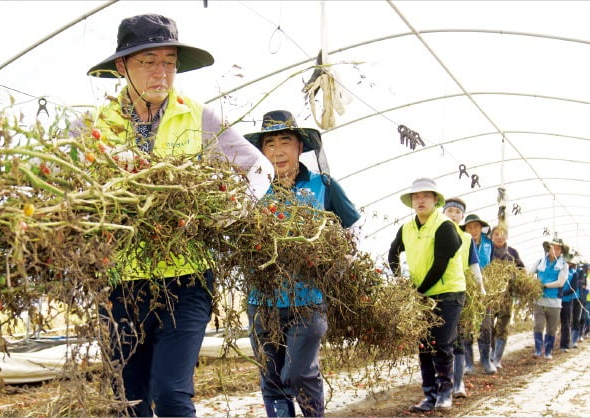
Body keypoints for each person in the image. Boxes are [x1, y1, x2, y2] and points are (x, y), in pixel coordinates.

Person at [87, 14, 274, 417]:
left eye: (169, 62)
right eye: (148, 61)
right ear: (122, 67)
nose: (161, 72)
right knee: (127, 400)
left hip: (186, 277)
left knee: (171, 394)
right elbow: (71, 185)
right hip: (120, 281)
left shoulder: (200, 116)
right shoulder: (93, 124)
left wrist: (231, 211)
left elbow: (260, 169)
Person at [243, 110, 362, 417]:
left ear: (299, 146)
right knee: (271, 377)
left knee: (297, 373)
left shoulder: (323, 185)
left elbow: (353, 228)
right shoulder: (251, 188)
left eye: (286, 140)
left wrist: (341, 262)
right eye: (270, 143)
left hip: (309, 299)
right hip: (262, 298)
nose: (277, 150)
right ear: (261, 151)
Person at [388, 178, 466, 412]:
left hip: (448, 292)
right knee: (424, 344)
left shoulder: (444, 226)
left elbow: (441, 264)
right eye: (416, 197)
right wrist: (400, 281)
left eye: (425, 196)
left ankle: (445, 393)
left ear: (435, 200)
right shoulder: (407, 228)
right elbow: (393, 253)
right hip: (420, 296)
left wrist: (417, 292)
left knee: (441, 343)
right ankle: (429, 395)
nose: (420, 200)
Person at [441, 197, 485, 398]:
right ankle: (441, 384)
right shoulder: (434, 233)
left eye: (458, 212)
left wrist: (480, 287)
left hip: (459, 293)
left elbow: (474, 265)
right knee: (439, 341)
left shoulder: (467, 239)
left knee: (457, 338)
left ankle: (458, 384)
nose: (453, 215)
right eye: (450, 211)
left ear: (462, 217)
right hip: (436, 293)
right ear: (443, 212)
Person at [460, 213, 497, 374]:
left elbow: (493, 263)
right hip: (467, 287)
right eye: (470, 227)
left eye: (476, 226)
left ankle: (485, 360)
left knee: (486, 326)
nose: (473, 230)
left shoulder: (489, 243)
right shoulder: (462, 241)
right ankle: (469, 363)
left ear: (481, 228)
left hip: (484, 288)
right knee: (466, 326)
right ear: (465, 228)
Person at [488, 225, 525, 368]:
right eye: (496, 234)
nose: (499, 237)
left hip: (506, 296)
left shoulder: (512, 253)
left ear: (507, 236)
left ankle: (497, 359)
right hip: (489, 296)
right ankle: (491, 353)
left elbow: (521, 269)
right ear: (492, 236)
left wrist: (518, 278)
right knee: (488, 326)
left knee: (502, 326)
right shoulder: (487, 250)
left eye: (502, 234)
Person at [528, 237, 569, 360]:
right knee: (538, 325)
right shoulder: (540, 261)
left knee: (551, 328)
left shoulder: (563, 265)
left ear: (561, 251)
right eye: (552, 247)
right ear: (548, 249)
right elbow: (530, 274)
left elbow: (561, 282)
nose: (554, 250)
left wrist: (545, 285)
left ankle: (548, 351)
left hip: (554, 302)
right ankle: (538, 350)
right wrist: (534, 283)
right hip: (539, 300)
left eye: (558, 248)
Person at [559, 253, 578, 352]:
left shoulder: (573, 273)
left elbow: (574, 288)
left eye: (569, 262)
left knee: (566, 323)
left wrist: (561, 294)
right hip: (556, 300)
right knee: (553, 324)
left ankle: (564, 345)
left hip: (567, 301)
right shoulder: (559, 271)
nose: (567, 263)